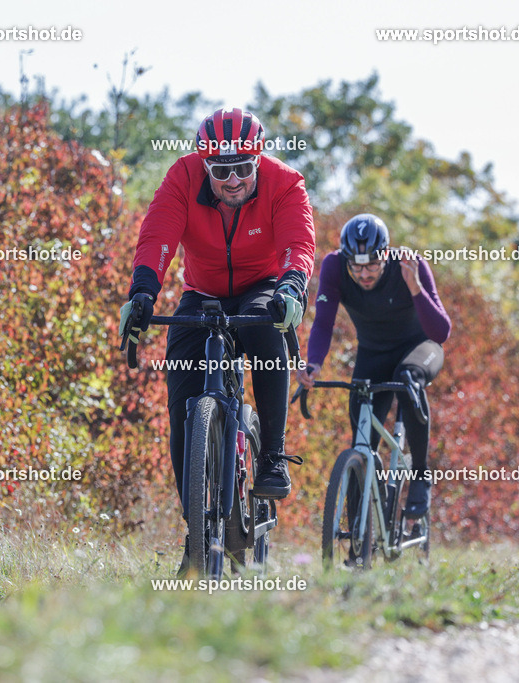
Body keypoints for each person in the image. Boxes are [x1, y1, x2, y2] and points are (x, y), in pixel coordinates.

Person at [119, 108, 316, 563]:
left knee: (267, 325)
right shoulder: (183, 177)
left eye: (243, 169)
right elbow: (157, 236)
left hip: (262, 286)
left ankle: (272, 456)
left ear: (258, 162)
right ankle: (196, 528)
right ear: (204, 164)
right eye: (221, 170)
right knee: (181, 395)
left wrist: (292, 287)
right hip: (203, 292)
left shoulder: (284, 183)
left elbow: (298, 244)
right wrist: (143, 292)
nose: (233, 180)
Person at [297, 214, 450, 518]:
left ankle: (420, 476)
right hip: (374, 354)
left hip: (420, 348)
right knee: (361, 444)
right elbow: (324, 322)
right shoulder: (334, 266)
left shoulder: (409, 264)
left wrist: (415, 288)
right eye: (357, 266)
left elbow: (441, 332)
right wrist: (313, 363)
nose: (364, 274)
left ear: (386, 255)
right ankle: (358, 538)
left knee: (408, 379)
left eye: (372, 265)